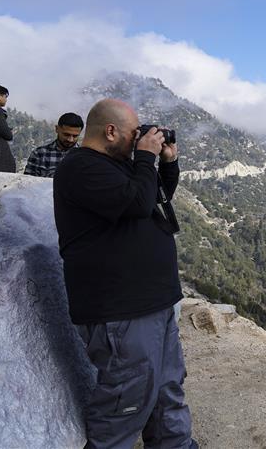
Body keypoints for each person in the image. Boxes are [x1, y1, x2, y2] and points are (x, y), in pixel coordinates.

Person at [53, 98, 196, 449]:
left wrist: (167, 162)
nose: (138, 140)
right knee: (126, 399)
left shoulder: (117, 166)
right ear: (111, 130)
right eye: (135, 134)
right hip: (121, 309)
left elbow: (151, 200)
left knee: (166, 389)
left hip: (152, 301)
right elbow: (136, 203)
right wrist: (145, 157)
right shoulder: (81, 167)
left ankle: (175, 445)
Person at [24, 112, 85, 177]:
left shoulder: (84, 157)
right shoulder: (39, 154)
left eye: (75, 136)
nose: (70, 139)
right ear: (57, 129)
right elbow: (28, 183)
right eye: (66, 135)